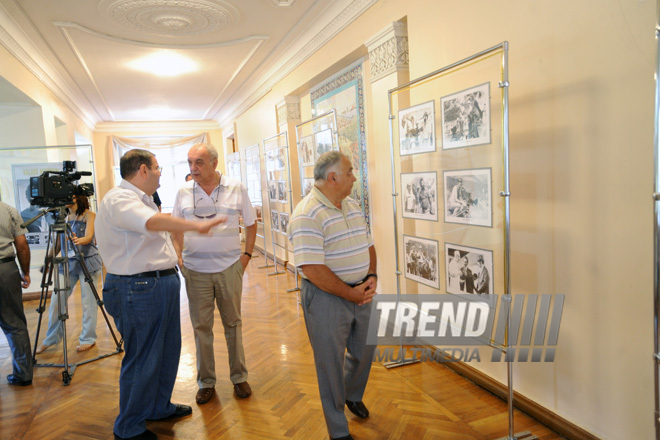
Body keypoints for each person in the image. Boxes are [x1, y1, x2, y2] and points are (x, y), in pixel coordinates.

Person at [95, 149, 225, 440]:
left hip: (156, 285)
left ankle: (157, 406)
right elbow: (152, 224)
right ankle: (128, 427)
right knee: (143, 357)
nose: (160, 172)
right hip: (137, 288)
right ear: (142, 170)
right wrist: (197, 225)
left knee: (166, 350)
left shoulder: (142, 200)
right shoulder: (120, 199)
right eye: (157, 167)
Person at [289, 151, 377, 440]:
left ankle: (351, 393)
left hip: (360, 292)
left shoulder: (351, 204)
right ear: (333, 177)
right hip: (327, 298)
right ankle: (338, 430)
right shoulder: (307, 213)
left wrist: (371, 277)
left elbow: (369, 245)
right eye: (350, 172)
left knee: (365, 350)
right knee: (329, 364)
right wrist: (349, 294)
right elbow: (313, 269)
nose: (354, 177)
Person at [171, 143, 257, 406]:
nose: (193, 168)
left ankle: (239, 377)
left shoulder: (236, 187)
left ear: (214, 164)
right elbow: (175, 227)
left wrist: (246, 256)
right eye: (190, 162)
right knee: (201, 328)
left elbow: (251, 223)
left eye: (199, 162)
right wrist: (180, 257)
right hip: (195, 271)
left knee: (233, 324)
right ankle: (206, 382)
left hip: (230, 267)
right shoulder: (183, 192)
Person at [36, 194, 102, 354]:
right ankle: (51, 339)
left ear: (77, 198)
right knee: (56, 301)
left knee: (88, 302)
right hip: (68, 262)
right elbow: (58, 243)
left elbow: (89, 236)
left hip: (87, 261)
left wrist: (78, 240)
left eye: (69, 196)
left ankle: (88, 339)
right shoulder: (63, 217)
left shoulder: (89, 215)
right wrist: (48, 260)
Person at [0, 201, 33, 386]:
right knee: (15, 325)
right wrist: (25, 271)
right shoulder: (9, 210)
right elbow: (22, 245)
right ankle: (23, 374)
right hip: (6, 270)